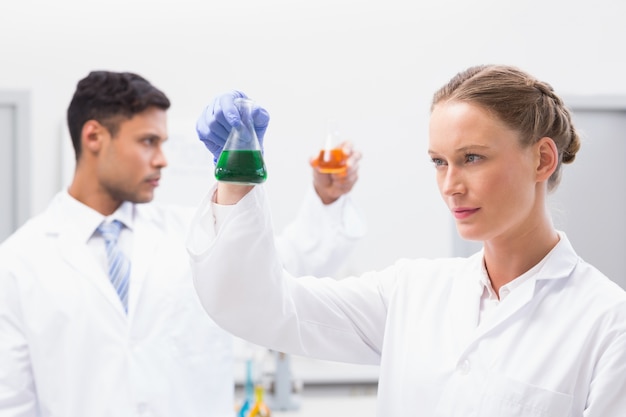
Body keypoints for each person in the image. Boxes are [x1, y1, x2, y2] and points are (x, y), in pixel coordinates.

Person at [187, 65, 626, 416]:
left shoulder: (608, 324)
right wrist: (239, 173)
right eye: (439, 162)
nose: (450, 185)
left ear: (542, 159)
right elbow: (258, 307)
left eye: (472, 158)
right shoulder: (411, 292)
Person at [0, 71, 364, 417]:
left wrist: (327, 199)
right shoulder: (18, 263)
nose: (162, 159)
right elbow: (12, 402)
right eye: (148, 142)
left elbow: (284, 268)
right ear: (94, 137)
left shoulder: (193, 233)